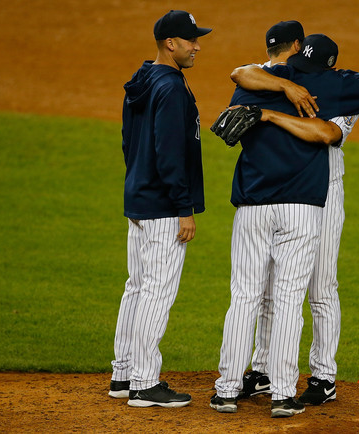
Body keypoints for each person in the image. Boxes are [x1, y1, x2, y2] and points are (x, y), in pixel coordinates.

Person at [210, 33, 359, 417]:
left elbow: (327, 133)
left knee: (320, 287)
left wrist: (271, 113)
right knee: (276, 294)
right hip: (297, 198)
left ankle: (323, 377)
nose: (300, 75)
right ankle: (266, 375)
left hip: (321, 194)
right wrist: (287, 86)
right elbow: (242, 72)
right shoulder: (282, 79)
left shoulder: (339, 92)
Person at [108, 9, 211, 408]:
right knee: (157, 291)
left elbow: (127, 140)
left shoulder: (142, 80)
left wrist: (140, 184)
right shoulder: (170, 86)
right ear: (171, 43)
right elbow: (170, 152)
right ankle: (145, 383)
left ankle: (123, 373)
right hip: (165, 205)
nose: (196, 46)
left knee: (136, 287)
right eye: (190, 40)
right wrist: (183, 207)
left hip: (139, 197)